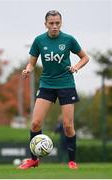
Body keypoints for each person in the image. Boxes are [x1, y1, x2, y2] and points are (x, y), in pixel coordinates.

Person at [18, 10, 89, 170]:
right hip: (46, 85)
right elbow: (32, 63)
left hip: (66, 85)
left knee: (68, 126)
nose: (55, 26)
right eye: (51, 23)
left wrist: (76, 67)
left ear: (61, 23)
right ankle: (34, 160)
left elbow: (85, 57)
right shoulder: (39, 40)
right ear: (46, 24)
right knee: (35, 123)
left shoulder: (69, 39)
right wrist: (28, 70)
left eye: (57, 23)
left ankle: (72, 161)